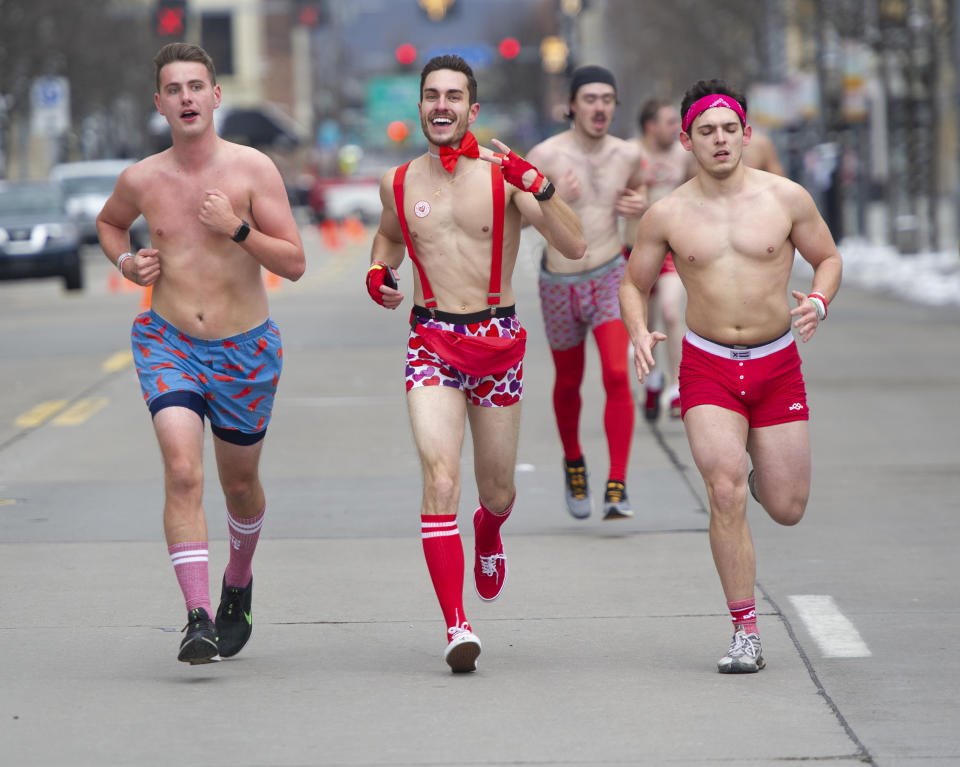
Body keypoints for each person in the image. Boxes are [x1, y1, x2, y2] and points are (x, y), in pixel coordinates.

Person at [366, 55, 585, 672]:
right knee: (440, 478)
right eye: (432, 95)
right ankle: (456, 625)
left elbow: (575, 244)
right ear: (419, 108)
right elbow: (388, 237)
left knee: (497, 488)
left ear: (472, 109)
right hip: (430, 337)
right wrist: (379, 272)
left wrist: (536, 181)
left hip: (497, 340)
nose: (442, 105)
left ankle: (488, 532)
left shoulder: (505, 177)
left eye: (453, 96)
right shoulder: (399, 181)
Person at [619, 79, 842, 673]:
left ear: (745, 134)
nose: (718, 140)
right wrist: (639, 331)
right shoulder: (667, 214)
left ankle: (757, 470)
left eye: (727, 129)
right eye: (704, 131)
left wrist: (818, 301)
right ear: (687, 141)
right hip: (709, 367)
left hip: (776, 365)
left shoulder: (786, 199)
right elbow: (632, 283)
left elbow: (828, 258)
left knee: (789, 506)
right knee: (724, 490)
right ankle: (745, 630)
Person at [96, 43, 306, 664]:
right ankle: (196, 618)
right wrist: (128, 262)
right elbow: (110, 225)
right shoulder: (142, 178)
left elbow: (294, 263)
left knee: (239, 488)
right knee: (184, 470)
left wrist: (237, 229)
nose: (186, 97)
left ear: (216, 97)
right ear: (159, 103)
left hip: (245, 350)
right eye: (174, 88)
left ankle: (236, 583)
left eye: (196, 86)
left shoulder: (252, 171)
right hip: (169, 341)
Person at [525, 66, 646, 521]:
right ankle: (574, 461)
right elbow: (514, 216)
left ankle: (617, 484)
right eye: (590, 98)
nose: (600, 107)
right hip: (558, 280)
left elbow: (645, 211)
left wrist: (643, 206)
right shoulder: (546, 154)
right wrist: (552, 201)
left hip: (610, 275)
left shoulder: (628, 155)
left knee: (617, 374)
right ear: (572, 105)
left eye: (608, 99)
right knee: (569, 380)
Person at [625, 99, 693, 422]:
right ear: (650, 126)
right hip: (635, 248)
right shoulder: (628, 153)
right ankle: (653, 380)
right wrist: (628, 200)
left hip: (670, 248)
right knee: (646, 324)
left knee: (670, 311)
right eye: (668, 121)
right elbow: (607, 194)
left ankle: (680, 386)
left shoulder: (685, 154)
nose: (676, 127)